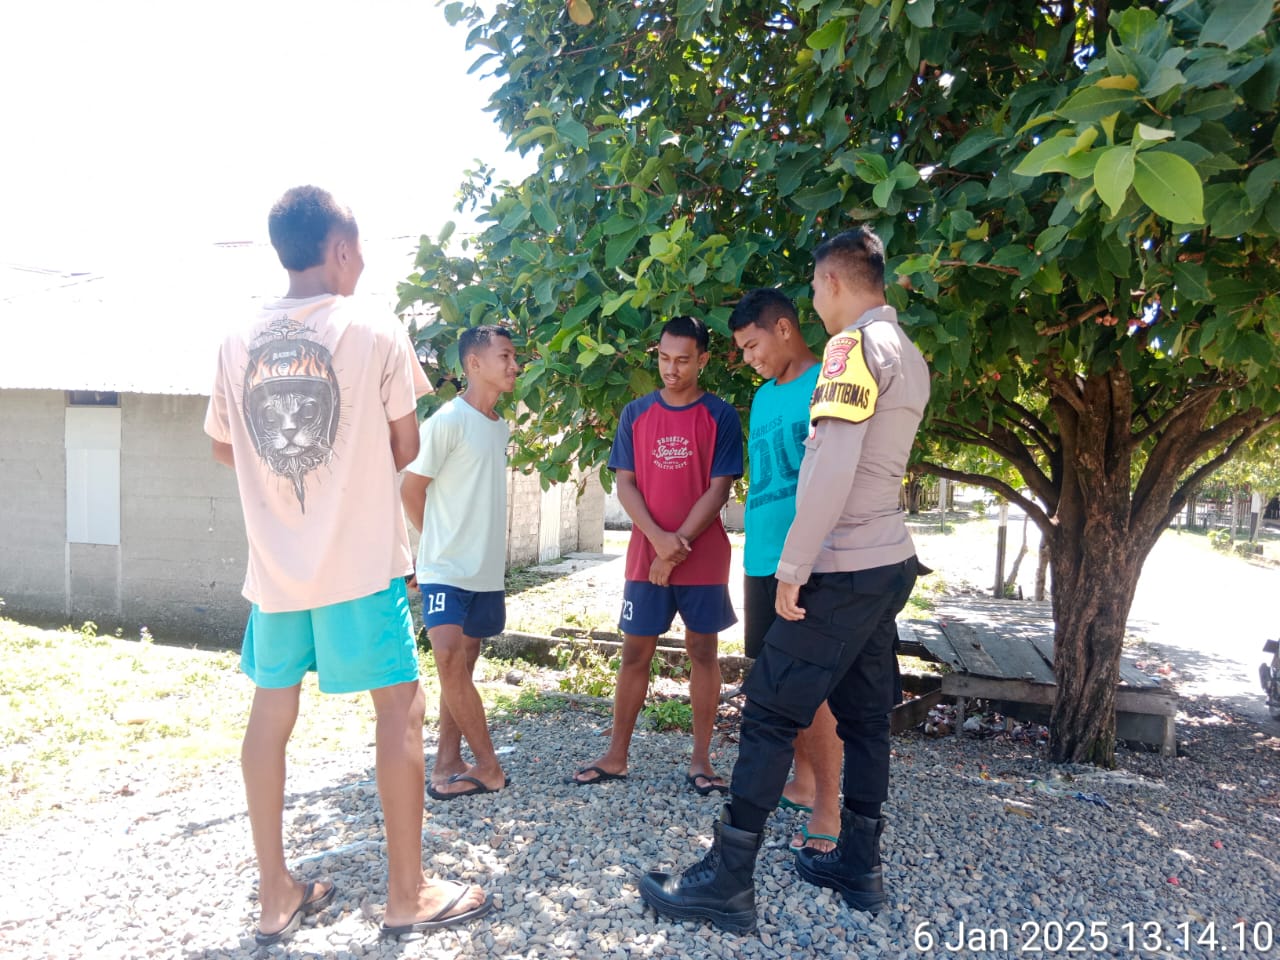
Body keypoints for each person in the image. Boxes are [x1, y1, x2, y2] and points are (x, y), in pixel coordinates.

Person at [205, 185, 490, 945]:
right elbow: (405, 446)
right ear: (336, 250)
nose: (361, 264)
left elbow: (225, 446)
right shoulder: (372, 327)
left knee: (271, 716)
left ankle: (276, 895)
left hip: (274, 572)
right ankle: (408, 893)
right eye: (358, 251)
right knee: (399, 707)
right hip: (361, 565)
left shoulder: (236, 338)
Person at [640, 227, 930, 933]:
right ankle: (858, 866)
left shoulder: (849, 350)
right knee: (865, 721)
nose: (814, 301)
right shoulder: (909, 353)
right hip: (888, 561)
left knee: (769, 712)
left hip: (842, 564)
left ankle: (727, 880)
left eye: (813, 288)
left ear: (830, 282)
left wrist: (794, 568)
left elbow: (830, 466)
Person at [569, 315, 743, 793]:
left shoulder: (721, 416)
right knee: (634, 653)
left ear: (703, 360)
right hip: (646, 556)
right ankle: (616, 754)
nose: (672, 368)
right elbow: (624, 483)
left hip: (703, 559)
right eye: (665, 358)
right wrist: (659, 542)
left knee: (703, 652)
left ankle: (702, 761)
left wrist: (674, 548)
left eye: (683, 360)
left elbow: (719, 488)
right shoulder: (635, 414)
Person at [728, 288, 842, 854]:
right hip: (760, 559)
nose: (749, 358)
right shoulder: (763, 398)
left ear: (783, 328)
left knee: (811, 690)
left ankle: (829, 806)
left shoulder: (826, 383)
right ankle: (801, 781)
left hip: (808, 563)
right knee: (776, 684)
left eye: (752, 346)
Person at [401, 325, 518, 800]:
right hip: (445, 568)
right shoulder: (447, 420)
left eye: (514, 358)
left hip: (485, 571)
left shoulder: (498, 425)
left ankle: (448, 762)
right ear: (474, 364)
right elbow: (411, 489)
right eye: (505, 357)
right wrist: (437, 546)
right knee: (447, 657)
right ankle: (489, 767)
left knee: (460, 670)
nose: (515, 366)